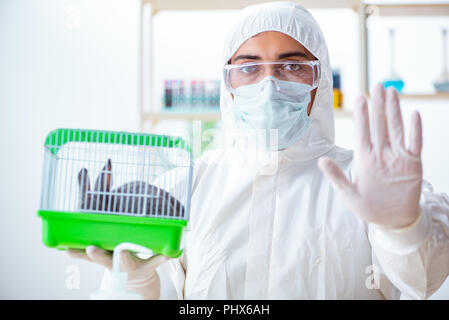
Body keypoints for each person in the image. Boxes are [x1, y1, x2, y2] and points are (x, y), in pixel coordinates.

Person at [68, 1, 449, 299]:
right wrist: (138, 286)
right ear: (228, 83)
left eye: (292, 66)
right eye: (249, 67)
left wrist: (405, 227)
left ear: (318, 80)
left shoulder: (365, 183)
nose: (269, 84)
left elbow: (425, 280)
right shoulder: (188, 185)